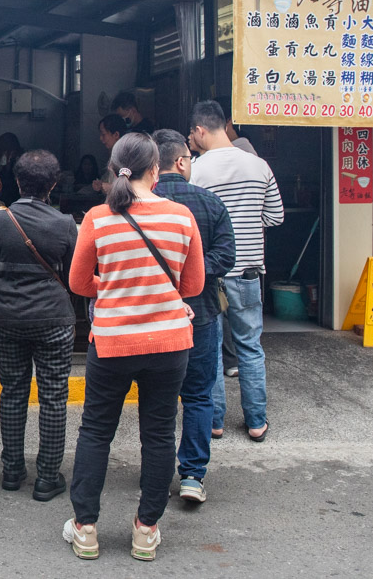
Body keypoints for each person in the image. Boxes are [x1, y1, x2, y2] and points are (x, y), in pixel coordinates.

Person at [65, 133, 204, 562]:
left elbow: (78, 282)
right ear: (156, 169)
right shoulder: (182, 217)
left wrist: (113, 289)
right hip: (169, 343)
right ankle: (146, 530)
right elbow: (193, 286)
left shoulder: (96, 218)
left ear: (113, 168)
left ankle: (85, 528)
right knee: (159, 434)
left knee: (95, 432)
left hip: (112, 344)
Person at [0, 150, 76, 502]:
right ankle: (47, 477)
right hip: (54, 319)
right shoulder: (65, 223)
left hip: (8, 319)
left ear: (17, 182)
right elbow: (76, 278)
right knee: (53, 397)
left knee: (13, 392)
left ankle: (12, 471)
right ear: (53, 184)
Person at [188, 100, 283, 443]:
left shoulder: (197, 170)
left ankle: (214, 422)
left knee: (211, 348)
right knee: (250, 347)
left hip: (211, 272)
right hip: (248, 272)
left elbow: (193, 219)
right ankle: (256, 421)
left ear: (200, 130)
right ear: (226, 125)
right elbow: (276, 216)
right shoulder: (259, 166)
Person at [150, 129, 236, 505]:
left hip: (149, 314)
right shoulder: (209, 203)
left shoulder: (139, 202)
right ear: (182, 162)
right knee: (198, 394)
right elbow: (227, 256)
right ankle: (192, 476)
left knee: (156, 396)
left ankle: (154, 471)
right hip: (199, 312)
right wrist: (192, 277)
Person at [90, 115, 129, 196]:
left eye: (103, 134)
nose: (101, 138)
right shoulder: (114, 155)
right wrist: (101, 184)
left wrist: (111, 187)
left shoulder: (127, 157)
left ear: (116, 135)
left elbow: (131, 186)